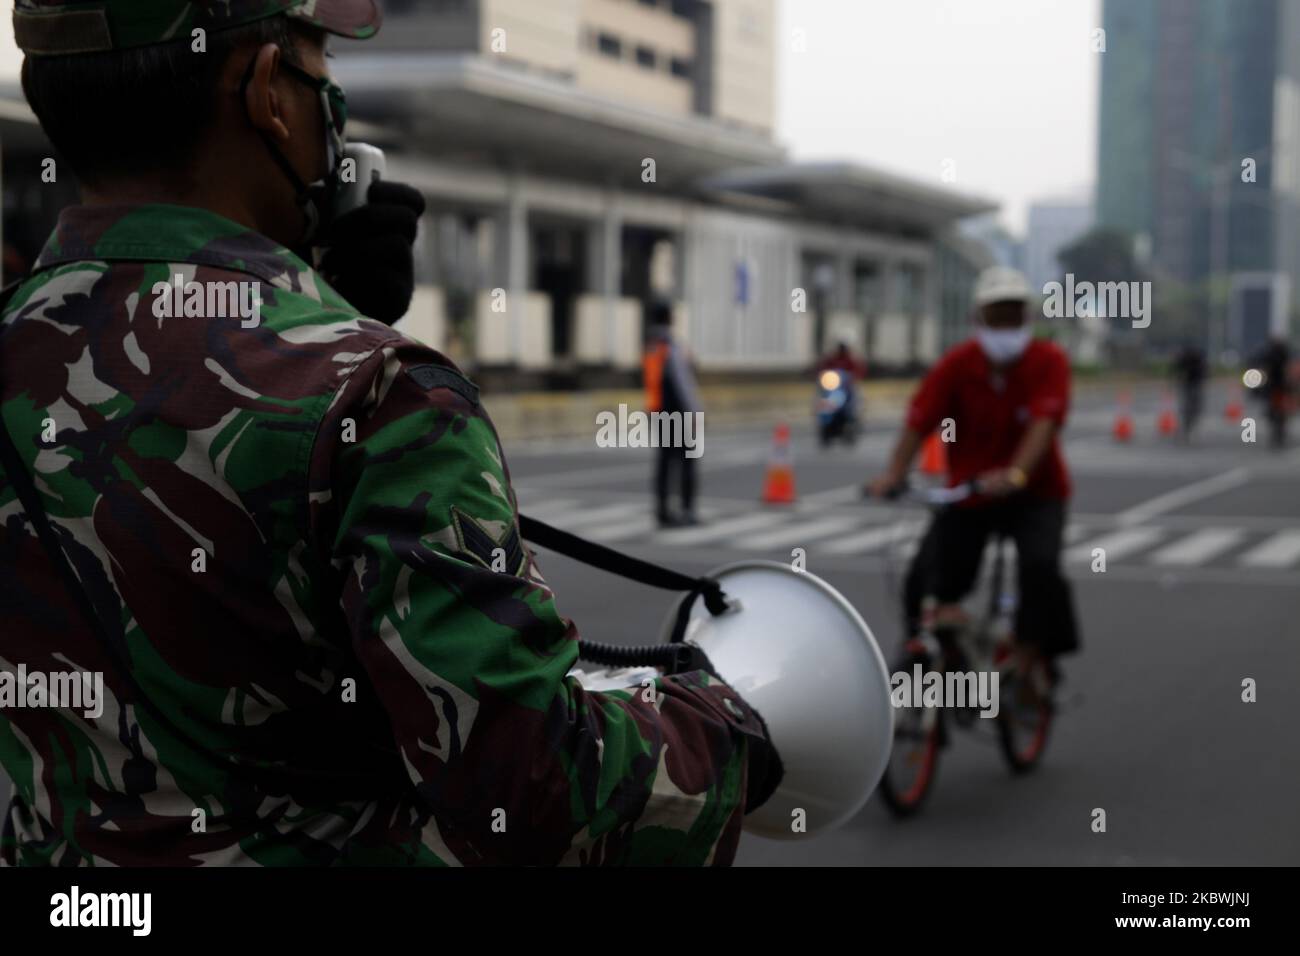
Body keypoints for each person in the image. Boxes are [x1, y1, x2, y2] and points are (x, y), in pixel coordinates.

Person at [0, 0, 779, 867]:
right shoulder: (380, 396)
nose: (332, 100)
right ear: (268, 92)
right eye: (320, 64)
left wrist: (318, 302)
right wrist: (733, 725)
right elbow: (542, 797)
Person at [867, 266, 1080, 682]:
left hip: (1035, 491)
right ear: (977, 320)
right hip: (971, 492)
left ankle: (1029, 656)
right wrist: (893, 474)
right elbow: (918, 420)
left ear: (1027, 319)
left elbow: (1045, 423)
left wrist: (1016, 473)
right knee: (923, 577)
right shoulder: (956, 365)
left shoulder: (1048, 361)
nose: (1004, 326)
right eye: (995, 317)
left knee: (1040, 567)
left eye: (1013, 317)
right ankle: (928, 655)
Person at [643, 300, 704, 527]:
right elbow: (683, 382)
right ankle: (688, 510)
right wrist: (696, 411)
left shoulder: (650, 344)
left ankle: (662, 510)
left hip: (658, 410)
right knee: (687, 461)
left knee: (664, 463)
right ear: (670, 318)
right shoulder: (670, 345)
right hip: (678, 411)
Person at [1250, 335, 1292, 448]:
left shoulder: (1280, 354)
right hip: (1274, 386)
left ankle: (1279, 427)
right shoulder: (1270, 354)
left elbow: (1288, 369)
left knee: (1279, 409)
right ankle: (1276, 424)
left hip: (1279, 386)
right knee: (1273, 408)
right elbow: (1261, 368)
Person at [1171, 342, 1208, 441]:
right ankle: (1186, 427)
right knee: (1190, 407)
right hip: (1190, 385)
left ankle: (1187, 427)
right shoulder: (1194, 359)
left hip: (1193, 384)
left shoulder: (1191, 359)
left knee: (1191, 407)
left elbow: (1176, 370)